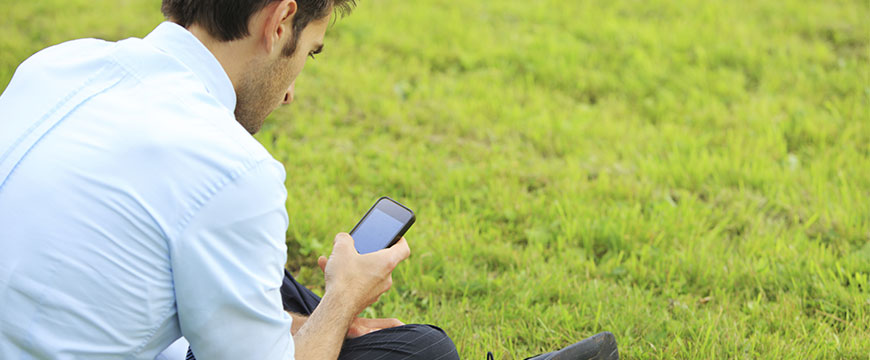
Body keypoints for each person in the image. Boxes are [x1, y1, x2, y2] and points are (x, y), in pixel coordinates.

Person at [0, 0, 618, 359]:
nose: (292, 89)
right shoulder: (231, 166)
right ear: (280, 21)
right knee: (420, 351)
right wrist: (344, 301)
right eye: (308, 51)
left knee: (280, 287)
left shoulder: (57, 63)